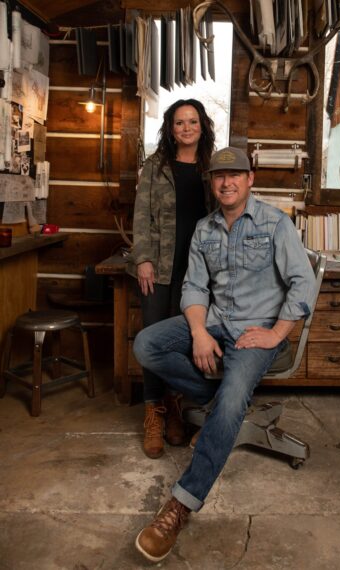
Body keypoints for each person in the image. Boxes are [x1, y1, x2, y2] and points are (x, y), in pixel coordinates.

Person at [132, 146, 316, 563]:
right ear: (212, 183)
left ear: (250, 179)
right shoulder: (205, 229)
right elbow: (194, 289)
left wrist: (275, 333)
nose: (227, 182)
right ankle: (221, 409)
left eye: (236, 174)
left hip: (256, 331)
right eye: (219, 176)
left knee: (233, 398)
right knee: (147, 344)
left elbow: (302, 283)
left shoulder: (275, 223)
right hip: (215, 322)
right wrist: (198, 332)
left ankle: (180, 505)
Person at [130, 99, 215, 459]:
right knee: (152, 336)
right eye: (179, 122)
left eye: (192, 121)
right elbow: (142, 215)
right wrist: (143, 259)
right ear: (170, 128)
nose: (186, 128)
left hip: (198, 271)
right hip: (160, 267)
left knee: (182, 339)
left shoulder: (212, 166)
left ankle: (175, 405)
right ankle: (154, 410)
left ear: (201, 126)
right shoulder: (156, 165)